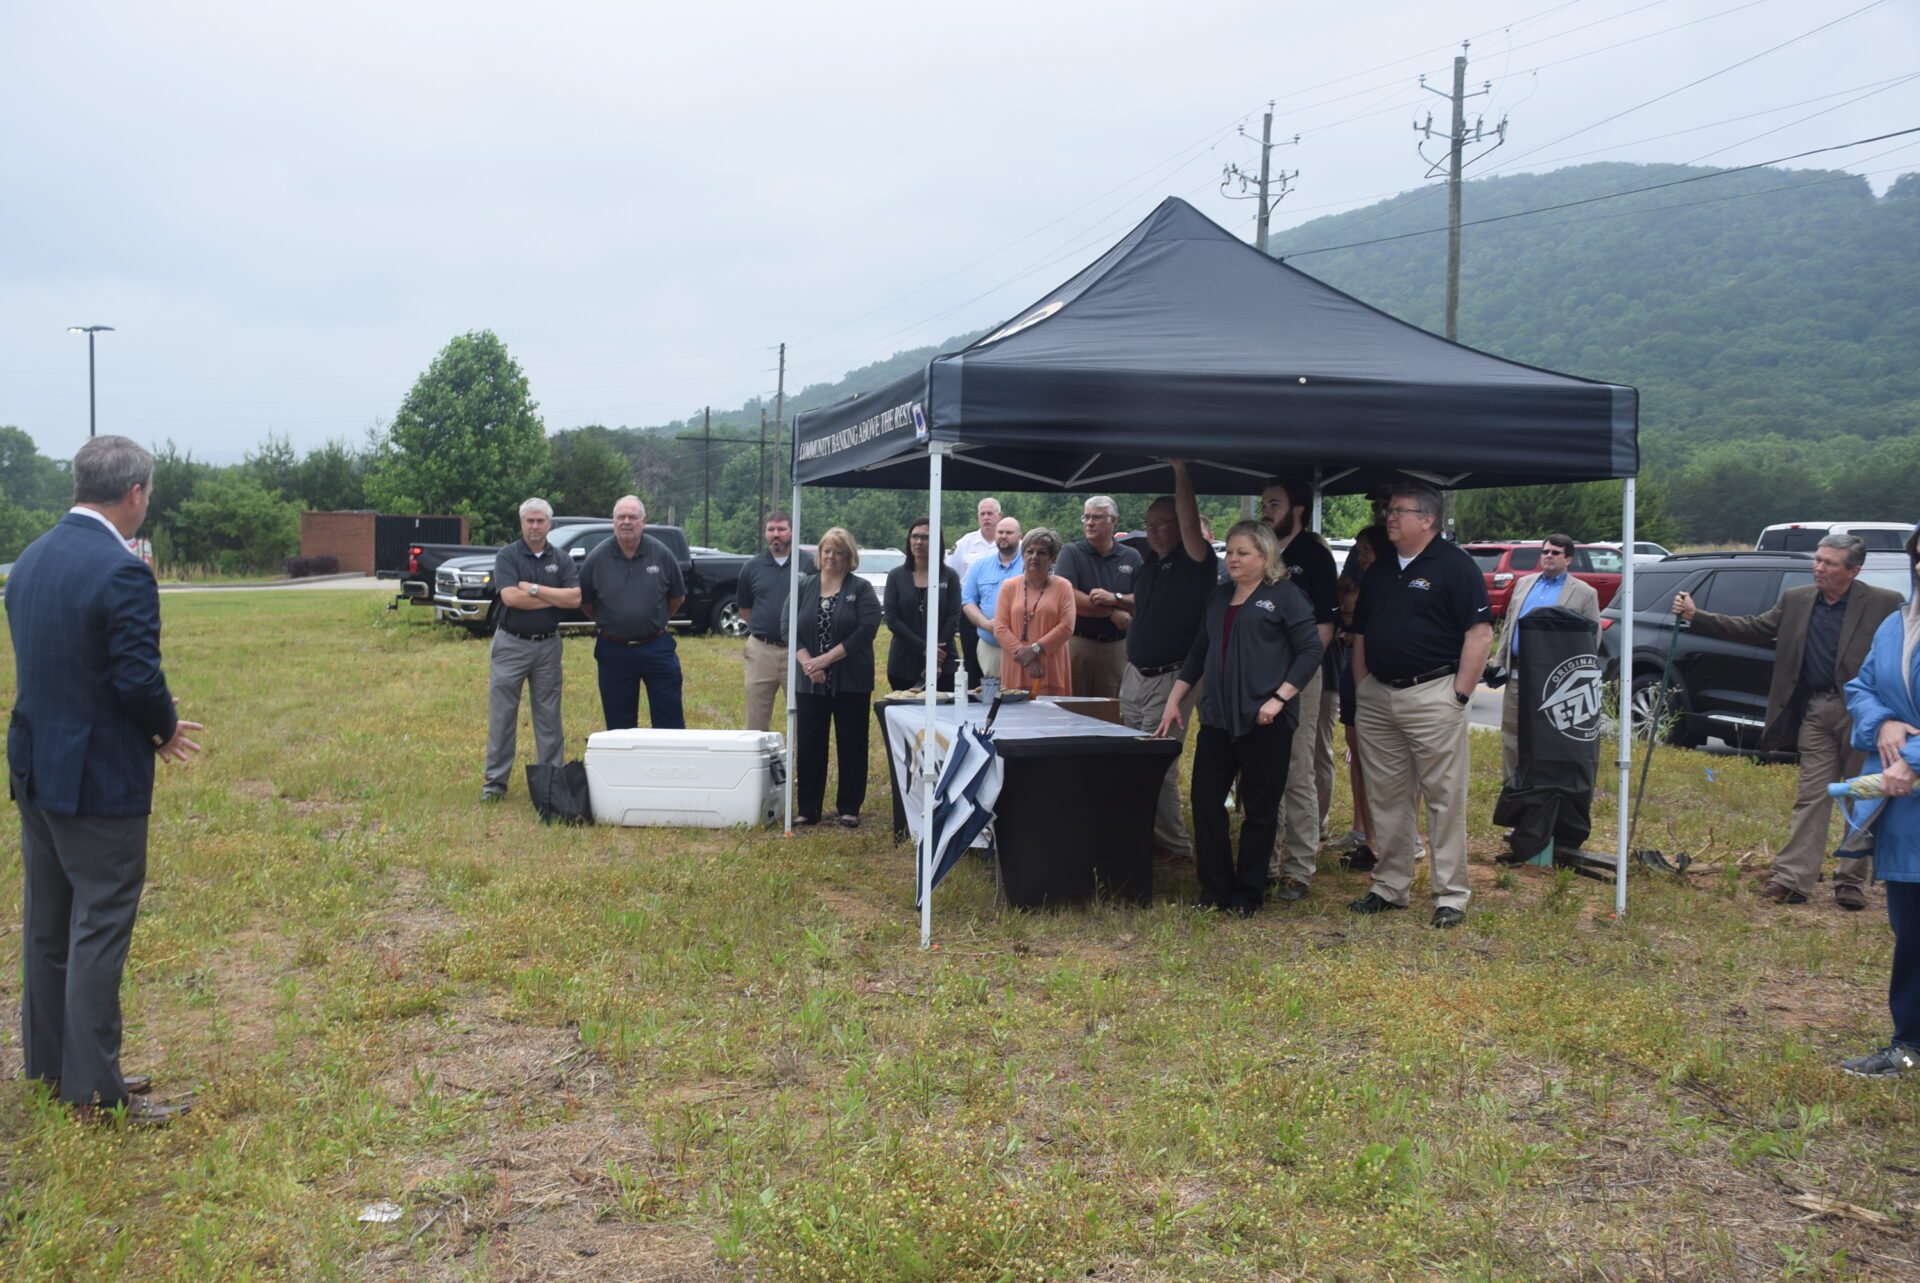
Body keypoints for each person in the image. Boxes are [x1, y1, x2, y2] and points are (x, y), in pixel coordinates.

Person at [9, 436, 203, 1124]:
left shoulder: (31, 558)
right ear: (135, 493)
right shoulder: (122, 570)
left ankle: (53, 1067)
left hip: (37, 766)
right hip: (96, 778)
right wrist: (164, 728)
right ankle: (93, 1091)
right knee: (99, 925)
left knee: (49, 925)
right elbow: (137, 677)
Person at [1674, 532, 1901, 908]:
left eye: (1829, 563)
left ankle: (1851, 881)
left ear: (1853, 570)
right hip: (1815, 710)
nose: (1818, 567)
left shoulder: (1885, 602)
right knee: (1811, 795)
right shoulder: (1797, 599)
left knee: (1861, 794)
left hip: (1865, 713)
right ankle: (1793, 879)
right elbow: (1753, 628)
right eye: (1818, 559)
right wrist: (1696, 617)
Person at [1155, 520, 1322, 916]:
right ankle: (1214, 891)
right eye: (1229, 551)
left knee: (1260, 811)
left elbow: (1311, 650)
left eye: (1242, 553)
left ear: (1265, 556)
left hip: (1265, 721)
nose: (1232, 559)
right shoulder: (1218, 597)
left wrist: (1279, 699)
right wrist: (1175, 698)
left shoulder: (1285, 595)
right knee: (1205, 801)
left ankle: (1248, 894)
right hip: (1218, 719)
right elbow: (1200, 650)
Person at [1347, 482, 1493, 928]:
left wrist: (1459, 694)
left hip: (1434, 695)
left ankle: (1450, 895)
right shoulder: (1381, 569)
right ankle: (1390, 885)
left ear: (1428, 519)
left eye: (1399, 511)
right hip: (1379, 695)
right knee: (1386, 796)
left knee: (1444, 798)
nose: (1389, 517)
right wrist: (1363, 686)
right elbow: (1361, 632)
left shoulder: (1455, 566)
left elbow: (1479, 634)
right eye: (1389, 510)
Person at [1837, 523, 1920, 1076]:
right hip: (1903, 809)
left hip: (1905, 780)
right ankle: (1908, 1044)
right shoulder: (1898, 623)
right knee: (1911, 930)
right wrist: (1884, 723)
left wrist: (1912, 759)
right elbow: (1861, 688)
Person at [1121, 461, 1216, 863]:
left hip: (1172, 676)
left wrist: (1180, 470)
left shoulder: (1197, 560)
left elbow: (1191, 521)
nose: (1155, 531)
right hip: (1135, 675)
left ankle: (1175, 845)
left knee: (1157, 762)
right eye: (1150, 524)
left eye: (1164, 523)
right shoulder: (1148, 564)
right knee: (1131, 760)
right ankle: (1143, 835)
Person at [1261, 477, 1341, 901]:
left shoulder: (1315, 556)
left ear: (1298, 510)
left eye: (1274, 503)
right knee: (1263, 770)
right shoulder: (1262, 551)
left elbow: (1325, 627)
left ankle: (1299, 868)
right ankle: (1267, 863)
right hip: (1260, 677)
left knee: (1296, 769)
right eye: (1264, 503)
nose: (1266, 510)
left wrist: (1296, 678)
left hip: (1301, 678)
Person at [484, 497, 582, 801]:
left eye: (540, 521)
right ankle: (495, 784)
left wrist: (535, 589)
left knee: (549, 715)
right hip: (511, 644)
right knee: (502, 716)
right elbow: (511, 598)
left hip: (548, 646)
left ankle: (550, 783)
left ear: (549, 524)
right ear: (521, 523)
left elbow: (574, 599)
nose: (535, 526)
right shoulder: (508, 556)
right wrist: (554, 597)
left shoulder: (562, 559)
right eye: (530, 521)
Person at [1492, 534, 1602, 784]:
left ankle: (1543, 792)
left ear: (1568, 559)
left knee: (1547, 740)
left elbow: (1592, 640)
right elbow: (1509, 627)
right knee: (1512, 736)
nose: (1548, 556)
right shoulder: (1524, 584)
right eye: (1545, 552)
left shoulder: (1584, 593)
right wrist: (1499, 664)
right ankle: (1513, 792)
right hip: (1518, 676)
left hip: (1553, 682)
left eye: (1555, 553)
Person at [793, 527, 882, 827]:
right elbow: (787, 626)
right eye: (827, 551)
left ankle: (849, 807)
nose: (831, 556)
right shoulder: (803, 586)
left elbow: (866, 631)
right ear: (820, 554)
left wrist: (825, 660)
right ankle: (808, 809)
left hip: (851, 680)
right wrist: (809, 664)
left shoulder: (862, 588)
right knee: (809, 745)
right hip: (810, 682)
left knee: (852, 743)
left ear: (849, 556)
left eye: (838, 552)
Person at [579, 495, 687, 732]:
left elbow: (677, 597)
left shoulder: (662, 554)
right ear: (613, 521)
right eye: (621, 517)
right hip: (613, 649)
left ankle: (667, 757)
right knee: (619, 726)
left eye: (632, 517)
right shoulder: (597, 557)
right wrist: (611, 622)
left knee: (669, 721)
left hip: (656, 646)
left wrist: (653, 619)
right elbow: (585, 602)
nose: (626, 522)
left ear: (644, 521)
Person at [1332, 525, 1393, 872]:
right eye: (1358, 550)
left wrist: (1354, 636)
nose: (1360, 556)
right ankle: (1365, 834)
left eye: (1366, 550)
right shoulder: (1359, 585)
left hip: (1380, 678)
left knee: (1384, 763)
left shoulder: (1390, 586)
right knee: (1358, 756)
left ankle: (1389, 840)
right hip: (1353, 676)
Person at [1055, 496, 1142, 699]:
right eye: (1086, 517)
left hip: (1116, 648)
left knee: (1113, 709)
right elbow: (1067, 596)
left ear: (1114, 520)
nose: (1089, 523)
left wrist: (1115, 598)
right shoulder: (1071, 553)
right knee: (1074, 708)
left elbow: (1143, 599)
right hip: (1079, 644)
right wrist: (1112, 612)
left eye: (1096, 517)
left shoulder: (1132, 556)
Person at [736, 510, 814, 732]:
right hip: (762, 650)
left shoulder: (809, 564)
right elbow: (745, 608)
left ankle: (799, 756)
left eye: (781, 529)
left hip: (799, 650)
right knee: (756, 719)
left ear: (792, 531)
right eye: (771, 529)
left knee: (802, 716)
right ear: (765, 533)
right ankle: (758, 754)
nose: (776, 534)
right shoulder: (752, 566)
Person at [994, 528, 1077, 697]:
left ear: (1053, 558)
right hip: (1016, 662)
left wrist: (1035, 649)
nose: (1034, 557)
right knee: (1014, 710)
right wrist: (1026, 658)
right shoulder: (1009, 586)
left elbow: (1067, 627)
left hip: (1049, 664)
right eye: (1029, 551)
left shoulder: (1063, 587)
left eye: (1041, 553)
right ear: (1022, 555)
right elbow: (1000, 628)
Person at [884, 515, 963, 691]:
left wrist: (937, 658)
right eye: (915, 536)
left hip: (943, 661)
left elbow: (953, 618)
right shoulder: (896, 576)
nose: (919, 542)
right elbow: (892, 620)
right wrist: (925, 648)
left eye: (925, 537)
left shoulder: (949, 576)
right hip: (903, 662)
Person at [946, 498, 1002, 687]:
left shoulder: (1009, 543)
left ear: (999, 516)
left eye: (990, 513)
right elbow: (950, 575)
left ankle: (996, 696)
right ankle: (974, 696)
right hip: (971, 611)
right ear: (978, 517)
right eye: (982, 514)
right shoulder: (965, 543)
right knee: (972, 660)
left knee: (999, 661)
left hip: (1000, 609)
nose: (986, 518)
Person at [962, 516, 1023, 682]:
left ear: (1020, 536)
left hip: (1022, 646)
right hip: (990, 645)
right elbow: (967, 601)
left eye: (1009, 533)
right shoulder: (980, 566)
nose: (1003, 536)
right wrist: (986, 624)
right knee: (992, 691)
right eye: (1000, 532)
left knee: (1020, 692)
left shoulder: (1029, 565)